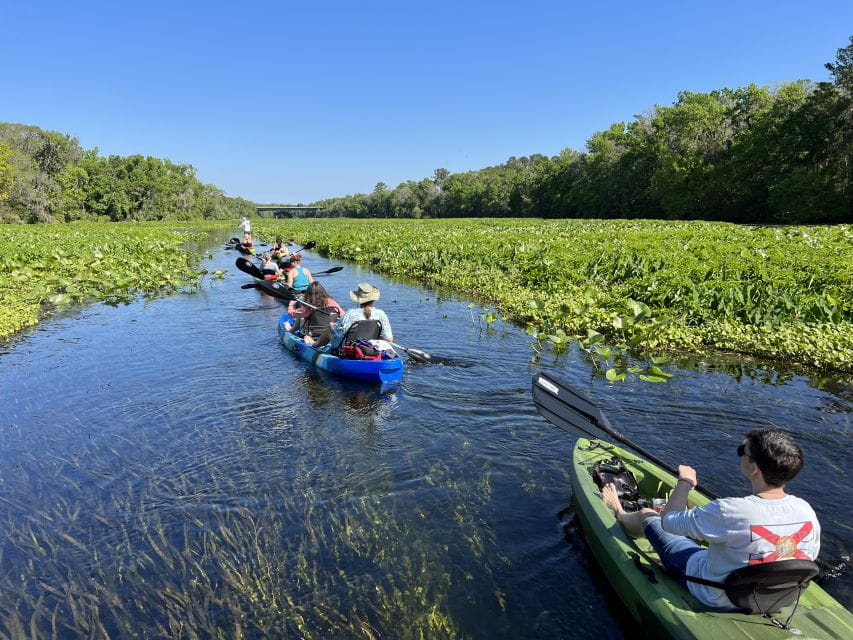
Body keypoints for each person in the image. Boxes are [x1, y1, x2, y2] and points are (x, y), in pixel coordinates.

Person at [601, 428, 820, 611]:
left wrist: (685, 482)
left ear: (754, 469)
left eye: (742, 451)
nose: (740, 454)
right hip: (771, 598)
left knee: (650, 516)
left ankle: (619, 511)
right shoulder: (807, 511)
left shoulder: (729, 510)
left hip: (711, 592)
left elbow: (669, 522)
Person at [306, 283, 393, 349]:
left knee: (331, 328)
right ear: (373, 299)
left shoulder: (350, 314)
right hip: (371, 349)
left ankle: (315, 344)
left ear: (358, 300)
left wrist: (333, 325)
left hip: (350, 351)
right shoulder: (381, 314)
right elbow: (389, 339)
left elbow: (336, 332)